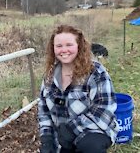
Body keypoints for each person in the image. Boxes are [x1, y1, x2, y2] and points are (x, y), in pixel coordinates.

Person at [37, 25, 118, 153]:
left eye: (69, 45)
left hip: (92, 131)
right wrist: (46, 138)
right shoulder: (49, 76)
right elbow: (43, 111)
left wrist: (71, 129)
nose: (64, 50)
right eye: (59, 46)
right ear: (53, 49)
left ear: (79, 46)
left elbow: (103, 110)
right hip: (62, 139)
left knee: (90, 147)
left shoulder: (96, 72)